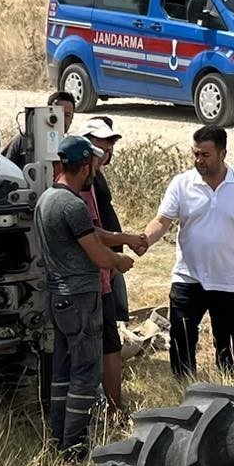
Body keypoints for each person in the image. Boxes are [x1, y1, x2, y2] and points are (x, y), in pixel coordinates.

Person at [33, 135, 135, 456]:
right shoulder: (74, 205)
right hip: (81, 299)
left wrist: (126, 237)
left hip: (58, 299)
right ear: (85, 166)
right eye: (94, 164)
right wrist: (121, 260)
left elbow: (91, 232)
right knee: (85, 375)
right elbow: (99, 255)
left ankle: (58, 438)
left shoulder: (48, 199)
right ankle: (74, 444)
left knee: (62, 373)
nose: (96, 170)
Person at [142, 125, 234, 378]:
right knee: (181, 343)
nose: (199, 160)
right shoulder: (181, 184)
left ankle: (227, 393)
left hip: (229, 281)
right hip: (188, 278)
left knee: (227, 345)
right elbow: (162, 221)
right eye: (196, 154)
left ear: (223, 153)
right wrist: (143, 240)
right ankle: (182, 392)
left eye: (205, 155)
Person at [79, 116, 143, 413]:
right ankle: (108, 408)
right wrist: (119, 249)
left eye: (108, 150)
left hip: (104, 271)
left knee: (110, 338)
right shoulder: (79, 185)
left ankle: (108, 405)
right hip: (94, 275)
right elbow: (91, 231)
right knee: (103, 344)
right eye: (100, 151)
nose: (106, 156)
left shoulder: (94, 177)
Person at [3, 91, 75, 167]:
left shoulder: (71, 147)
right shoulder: (26, 137)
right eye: (57, 114)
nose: (62, 119)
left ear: (72, 118)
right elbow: (5, 166)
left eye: (67, 115)